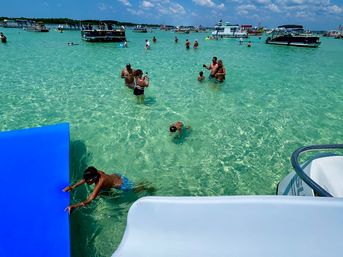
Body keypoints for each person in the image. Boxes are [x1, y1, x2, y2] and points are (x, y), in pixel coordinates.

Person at [63, 167, 152, 214]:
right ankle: (112, 195)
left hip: (122, 184)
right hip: (115, 176)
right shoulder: (96, 172)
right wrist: (72, 187)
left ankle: (147, 186)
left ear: (93, 178)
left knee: (136, 189)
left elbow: (90, 200)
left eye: (88, 180)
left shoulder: (100, 182)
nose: (87, 182)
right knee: (103, 193)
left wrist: (74, 206)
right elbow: (85, 179)